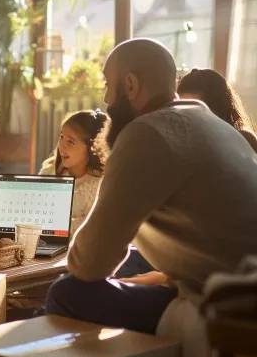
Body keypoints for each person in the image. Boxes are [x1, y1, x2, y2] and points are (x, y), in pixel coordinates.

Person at [45, 38, 257, 335]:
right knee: (129, 261)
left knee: (67, 292)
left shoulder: (147, 132)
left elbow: (87, 265)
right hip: (238, 283)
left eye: (107, 84)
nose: (106, 99)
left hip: (231, 300)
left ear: (130, 85)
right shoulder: (207, 119)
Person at [39, 108, 150, 279]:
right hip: (43, 251)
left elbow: (91, 236)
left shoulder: (100, 183)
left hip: (78, 260)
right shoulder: (49, 172)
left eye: (71, 142)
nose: (62, 146)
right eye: (61, 137)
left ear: (91, 147)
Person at [177, 68, 257, 153]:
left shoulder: (243, 140)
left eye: (199, 110)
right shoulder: (178, 141)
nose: (189, 118)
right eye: (184, 108)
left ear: (220, 107)